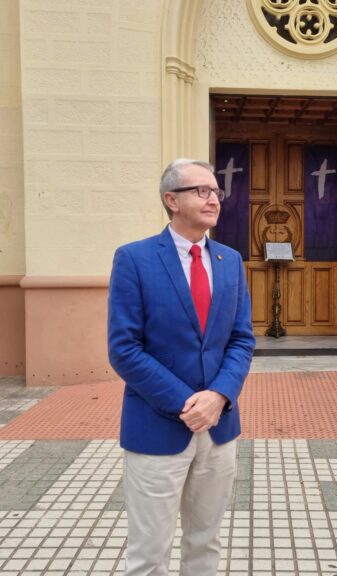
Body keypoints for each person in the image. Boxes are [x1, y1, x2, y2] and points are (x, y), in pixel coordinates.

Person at [107, 158, 255, 576]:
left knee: (205, 544)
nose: (214, 199)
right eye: (202, 190)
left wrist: (219, 396)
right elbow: (124, 348)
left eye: (217, 192)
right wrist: (188, 403)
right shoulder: (134, 259)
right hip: (157, 428)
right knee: (149, 553)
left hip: (220, 429)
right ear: (172, 200)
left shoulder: (230, 260)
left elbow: (242, 339)